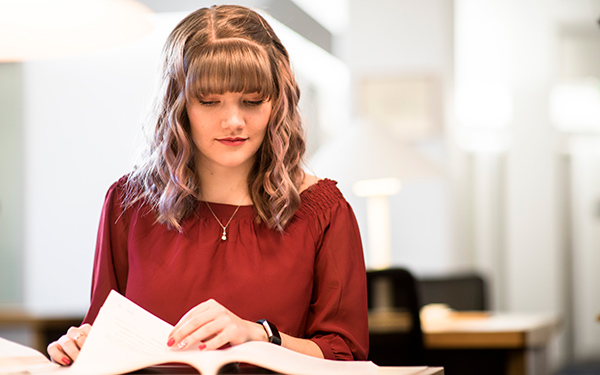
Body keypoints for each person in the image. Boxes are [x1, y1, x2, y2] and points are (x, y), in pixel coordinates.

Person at [47, 4, 368, 366]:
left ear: (277, 101)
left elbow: (345, 355)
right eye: (210, 101)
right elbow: (103, 335)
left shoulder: (322, 211)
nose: (233, 121)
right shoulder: (128, 204)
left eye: (252, 101)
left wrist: (261, 335)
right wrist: (77, 345)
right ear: (178, 106)